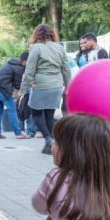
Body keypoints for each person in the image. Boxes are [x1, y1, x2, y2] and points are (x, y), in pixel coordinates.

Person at [12, 113, 110, 220]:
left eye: (57, 141)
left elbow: (39, 206)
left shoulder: (56, 178)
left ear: (73, 151)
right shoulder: (109, 180)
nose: (53, 145)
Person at [19, 24, 71, 155]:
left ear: (37, 34)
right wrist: (68, 86)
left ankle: (49, 139)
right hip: (57, 86)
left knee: (35, 113)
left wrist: (23, 89)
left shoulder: (37, 48)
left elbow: (29, 70)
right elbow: (66, 68)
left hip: (41, 85)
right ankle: (51, 146)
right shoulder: (59, 48)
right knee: (49, 115)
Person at [0, 52, 30, 139]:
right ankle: (18, 133)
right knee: (12, 109)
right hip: (1, 88)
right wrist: (28, 85)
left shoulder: (12, 62)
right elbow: (17, 84)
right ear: (24, 61)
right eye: (29, 62)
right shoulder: (19, 68)